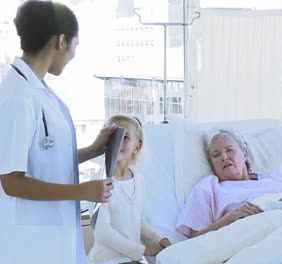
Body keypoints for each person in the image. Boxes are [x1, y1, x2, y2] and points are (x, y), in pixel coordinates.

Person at [0, 1, 116, 263]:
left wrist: (93, 150)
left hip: (55, 239)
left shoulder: (37, 90)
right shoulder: (18, 98)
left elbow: (43, 162)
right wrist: (82, 191)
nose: (75, 53)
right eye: (76, 45)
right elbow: (10, 180)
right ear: (61, 41)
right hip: (30, 246)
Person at [176, 128, 282, 238]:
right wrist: (231, 217)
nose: (224, 157)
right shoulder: (208, 187)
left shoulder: (275, 178)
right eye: (216, 155)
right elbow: (194, 240)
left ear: (245, 154)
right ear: (212, 164)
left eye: (229, 150)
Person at [88, 115, 172, 264]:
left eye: (125, 137)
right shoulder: (97, 182)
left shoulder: (138, 179)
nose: (117, 140)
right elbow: (103, 233)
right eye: (112, 135)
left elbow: (140, 223)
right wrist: (144, 250)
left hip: (131, 260)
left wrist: (160, 239)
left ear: (137, 147)